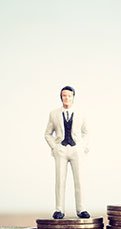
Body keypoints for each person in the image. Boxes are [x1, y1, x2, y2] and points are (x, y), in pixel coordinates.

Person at [45, 86, 91, 219]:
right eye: (64, 95)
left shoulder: (81, 113)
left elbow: (86, 132)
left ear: (73, 97)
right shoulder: (53, 114)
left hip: (76, 149)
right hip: (61, 150)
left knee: (79, 180)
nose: (67, 98)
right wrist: (55, 147)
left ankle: (81, 209)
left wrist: (82, 146)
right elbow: (47, 133)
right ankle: (59, 209)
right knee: (60, 180)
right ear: (61, 97)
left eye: (69, 96)